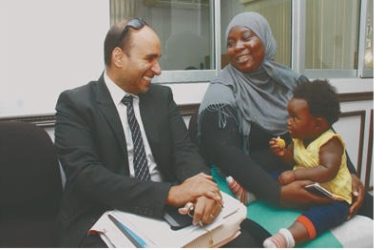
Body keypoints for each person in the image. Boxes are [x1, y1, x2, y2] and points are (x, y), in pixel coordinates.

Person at [55, 18, 267, 247]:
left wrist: (203, 191)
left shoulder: (161, 97)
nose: (158, 69)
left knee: (248, 238)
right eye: (149, 59)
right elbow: (88, 177)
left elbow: (185, 152)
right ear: (118, 58)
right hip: (104, 213)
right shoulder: (75, 104)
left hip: (168, 213)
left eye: (158, 58)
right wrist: (170, 193)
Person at [196, 12, 372, 221]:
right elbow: (227, 153)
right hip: (260, 185)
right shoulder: (221, 91)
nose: (238, 47)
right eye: (231, 43)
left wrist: (348, 173)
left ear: (266, 39)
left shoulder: (292, 82)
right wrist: (277, 195)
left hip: (307, 174)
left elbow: (322, 130)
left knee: (368, 207)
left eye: (246, 37)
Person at [262, 80, 352, 247]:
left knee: (322, 215)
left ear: (317, 124)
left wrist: (295, 174)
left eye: (294, 117)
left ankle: (287, 238)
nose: (289, 121)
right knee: (274, 175)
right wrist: (284, 154)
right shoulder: (299, 138)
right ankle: (250, 192)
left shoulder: (330, 142)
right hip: (311, 187)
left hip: (332, 196)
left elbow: (327, 170)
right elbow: (295, 159)